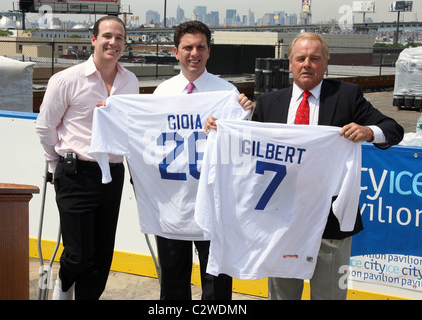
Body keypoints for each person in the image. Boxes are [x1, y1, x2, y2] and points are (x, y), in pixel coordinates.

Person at [205, 32, 404, 300]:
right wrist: (220, 132)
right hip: (281, 222)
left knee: (330, 296)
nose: (307, 64)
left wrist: (369, 131)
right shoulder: (268, 103)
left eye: (314, 58)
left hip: (330, 224)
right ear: (290, 64)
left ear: (325, 64)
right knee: (282, 296)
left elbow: (394, 130)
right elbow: (244, 161)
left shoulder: (348, 96)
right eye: (300, 58)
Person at [35, 16, 139, 300]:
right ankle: (64, 285)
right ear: (93, 39)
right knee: (79, 253)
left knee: (101, 257)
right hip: (75, 171)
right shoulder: (67, 80)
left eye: (119, 38)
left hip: (112, 173)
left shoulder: (130, 82)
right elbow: (45, 126)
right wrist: (55, 164)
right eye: (107, 36)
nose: (113, 43)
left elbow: (132, 126)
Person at [152, 20, 252, 300]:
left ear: (209, 52)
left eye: (200, 47)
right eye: (187, 47)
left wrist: (244, 117)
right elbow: (148, 147)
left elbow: (240, 152)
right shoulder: (161, 94)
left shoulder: (228, 94)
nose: (194, 53)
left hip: (215, 204)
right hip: (172, 204)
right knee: (173, 281)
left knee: (216, 282)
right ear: (176, 52)